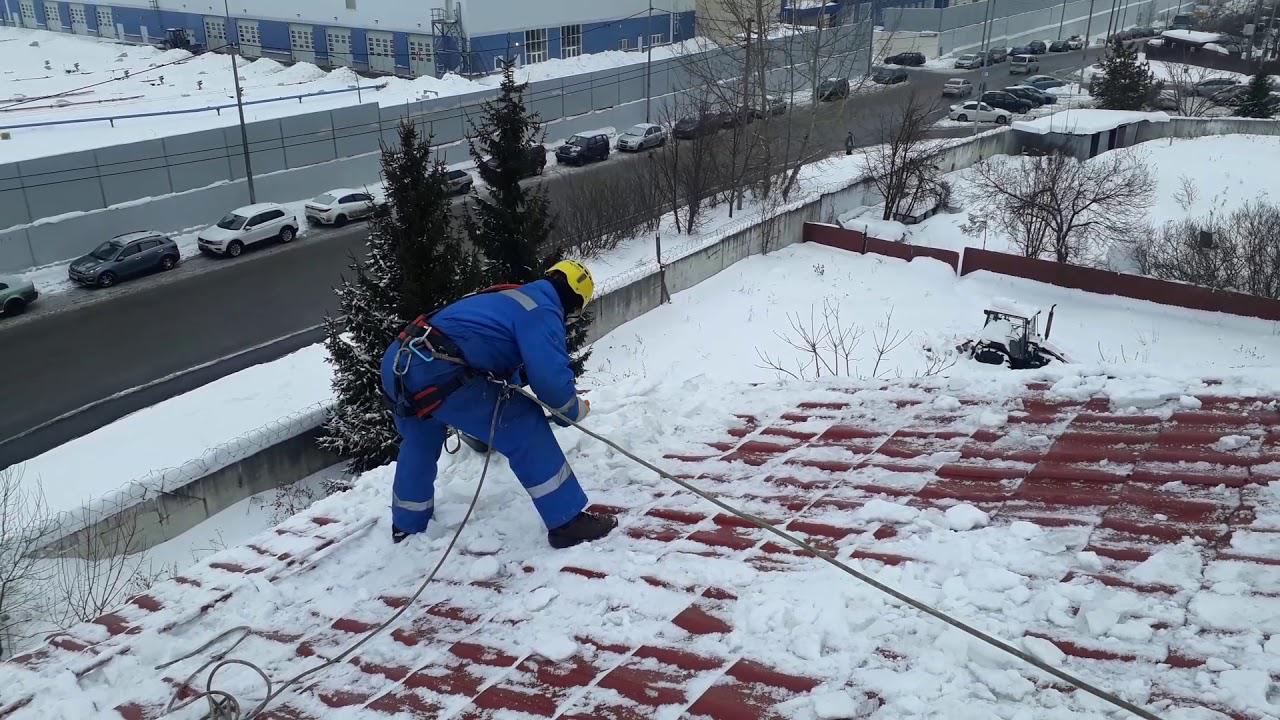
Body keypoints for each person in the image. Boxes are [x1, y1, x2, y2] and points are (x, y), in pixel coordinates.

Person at [379, 260, 617, 549]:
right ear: (577, 305)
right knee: (524, 424)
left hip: (400, 361)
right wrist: (573, 410)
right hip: (438, 369)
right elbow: (551, 383)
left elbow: (493, 352)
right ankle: (566, 521)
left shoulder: (512, 297)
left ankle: (407, 524)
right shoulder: (543, 311)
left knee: (420, 439)